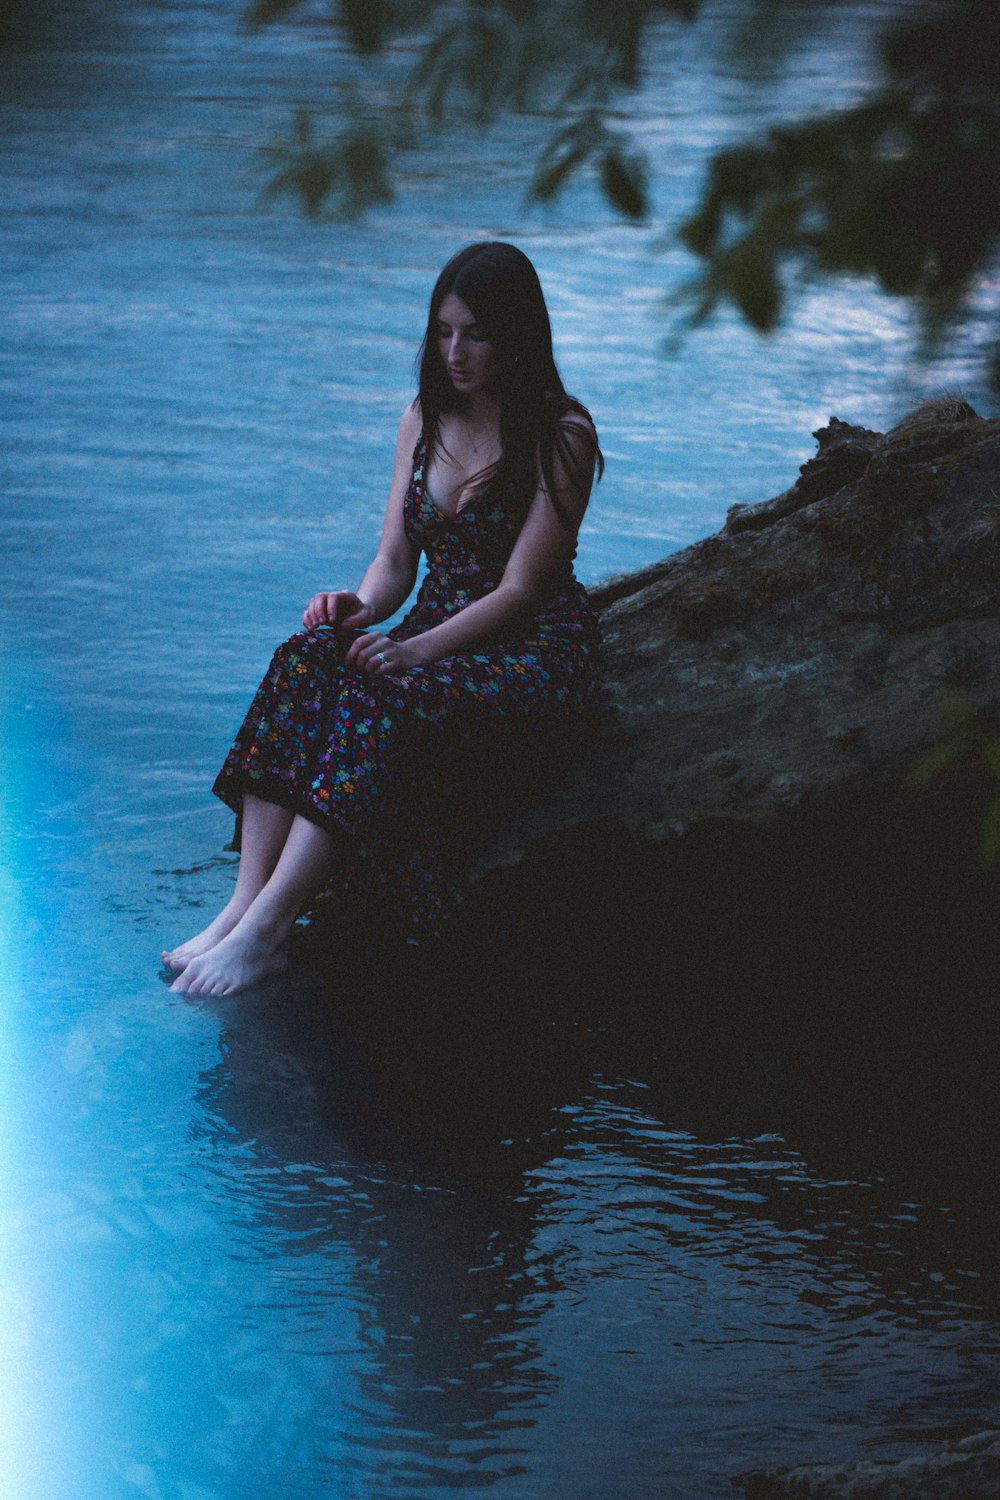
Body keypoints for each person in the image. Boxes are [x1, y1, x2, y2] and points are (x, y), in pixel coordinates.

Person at [163, 241, 603, 996]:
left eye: (477, 334)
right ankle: (243, 905)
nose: (456, 352)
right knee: (306, 656)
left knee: (378, 693)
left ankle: (271, 931)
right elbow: (397, 560)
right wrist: (359, 609)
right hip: (433, 628)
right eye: (443, 332)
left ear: (517, 336)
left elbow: (523, 590)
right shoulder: (425, 418)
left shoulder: (561, 434)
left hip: (530, 648)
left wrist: (414, 652)